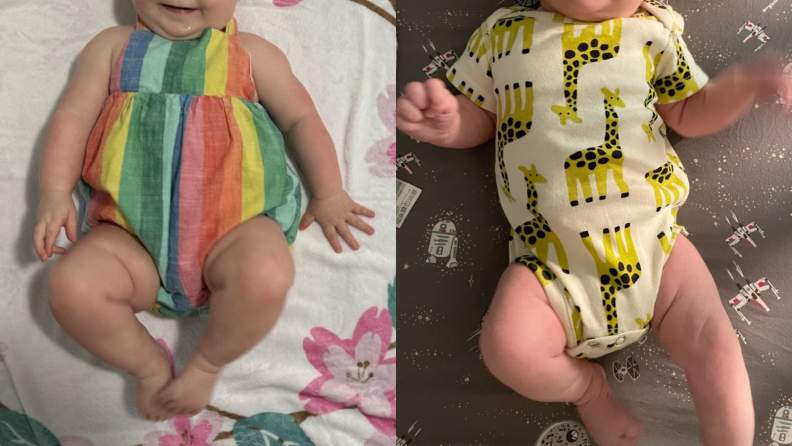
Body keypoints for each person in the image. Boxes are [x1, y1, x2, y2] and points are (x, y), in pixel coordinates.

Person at [396, 0, 792, 444]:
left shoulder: (650, 32)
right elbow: (481, 116)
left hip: (654, 244)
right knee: (507, 347)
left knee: (715, 348)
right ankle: (587, 390)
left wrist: (745, 83)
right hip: (550, 264)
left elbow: (691, 111)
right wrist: (448, 121)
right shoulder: (502, 33)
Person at [33, 0, 375, 420]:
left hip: (235, 232)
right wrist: (54, 190)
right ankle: (147, 367)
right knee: (71, 286)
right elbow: (72, 117)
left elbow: (300, 118)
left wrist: (329, 192)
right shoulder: (113, 48)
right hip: (129, 240)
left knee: (266, 274)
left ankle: (207, 363)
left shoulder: (251, 53)